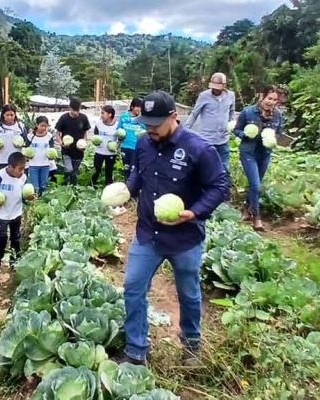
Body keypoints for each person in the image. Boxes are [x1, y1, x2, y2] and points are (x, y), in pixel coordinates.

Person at [121, 91, 230, 366]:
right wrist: (126, 192)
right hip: (148, 234)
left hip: (185, 237)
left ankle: (191, 345)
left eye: (156, 124)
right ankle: (136, 350)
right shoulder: (144, 143)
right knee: (133, 288)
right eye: (147, 123)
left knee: (189, 293)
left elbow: (219, 186)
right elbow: (137, 174)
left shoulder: (199, 149)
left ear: (173, 117)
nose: (150, 129)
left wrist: (194, 212)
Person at [233, 85, 284, 231]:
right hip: (248, 152)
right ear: (262, 96)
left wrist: (273, 138)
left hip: (265, 154)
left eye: (274, 100)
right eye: (269, 98)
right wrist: (245, 135)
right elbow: (236, 130)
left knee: (256, 185)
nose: (271, 102)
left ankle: (246, 208)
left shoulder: (278, 115)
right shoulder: (248, 112)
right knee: (255, 185)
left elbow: (280, 133)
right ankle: (256, 217)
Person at [0, 152, 28, 281]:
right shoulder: (0, 176)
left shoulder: (23, 177)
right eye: (20, 169)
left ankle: (14, 260)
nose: (22, 171)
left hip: (16, 213)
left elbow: (25, 195)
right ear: (10, 167)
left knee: (15, 238)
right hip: (1, 214)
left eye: (23, 169)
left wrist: (29, 197)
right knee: (0, 238)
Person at [184, 72, 236, 173]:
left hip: (223, 139)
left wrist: (231, 124)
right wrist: (185, 130)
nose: (215, 90)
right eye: (213, 87)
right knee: (206, 168)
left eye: (218, 87)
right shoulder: (204, 96)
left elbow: (232, 111)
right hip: (207, 139)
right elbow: (194, 114)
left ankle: (224, 187)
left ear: (224, 85)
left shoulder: (230, 95)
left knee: (224, 168)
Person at [55, 97, 91, 185]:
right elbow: (57, 134)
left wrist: (84, 143)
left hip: (78, 152)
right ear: (70, 108)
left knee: (74, 172)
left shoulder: (84, 118)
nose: (76, 113)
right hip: (67, 151)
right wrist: (61, 143)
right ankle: (66, 183)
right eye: (74, 110)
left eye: (78, 110)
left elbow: (85, 133)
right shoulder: (64, 118)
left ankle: (72, 188)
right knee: (69, 169)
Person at [0, 104, 28, 170]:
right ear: (3, 115)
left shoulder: (20, 126)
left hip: (17, 160)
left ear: (15, 115)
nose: (9, 117)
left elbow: (26, 143)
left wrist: (21, 145)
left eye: (11, 115)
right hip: (2, 160)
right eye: (7, 115)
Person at [118, 97, 146, 180]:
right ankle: (127, 186)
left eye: (141, 107)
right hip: (125, 147)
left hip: (136, 148)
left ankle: (133, 187)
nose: (139, 109)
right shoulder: (123, 116)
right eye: (138, 106)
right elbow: (119, 130)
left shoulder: (142, 119)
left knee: (134, 169)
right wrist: (118, 143)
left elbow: (146, 132)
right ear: (132, 107)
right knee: (126, 169)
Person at [91, 105, 119, 186]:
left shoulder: (117, 125)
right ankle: (92, 185)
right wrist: (95, 142)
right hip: (99, 152)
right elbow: (95, 135)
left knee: (109, 171)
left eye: (103, 113)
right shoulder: (98, 124)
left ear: (110, 114)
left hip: (111, 153)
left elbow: (120, 138)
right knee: (96, 170)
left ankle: (108, 186)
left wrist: (117, 145)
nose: (101, 115)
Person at [27, 116, 55, 194]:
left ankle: (43, 202)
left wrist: (52, 156)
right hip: (33, 165)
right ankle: (35, 203)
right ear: (37, 125)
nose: (44, 128)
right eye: (42, 126)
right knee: (35, 187)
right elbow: (26, 148)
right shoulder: (31, 136)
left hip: (45, 164)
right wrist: (27, 156)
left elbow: (52, 149)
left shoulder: (49, 136)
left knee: (44, 186)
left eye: (46, 126)